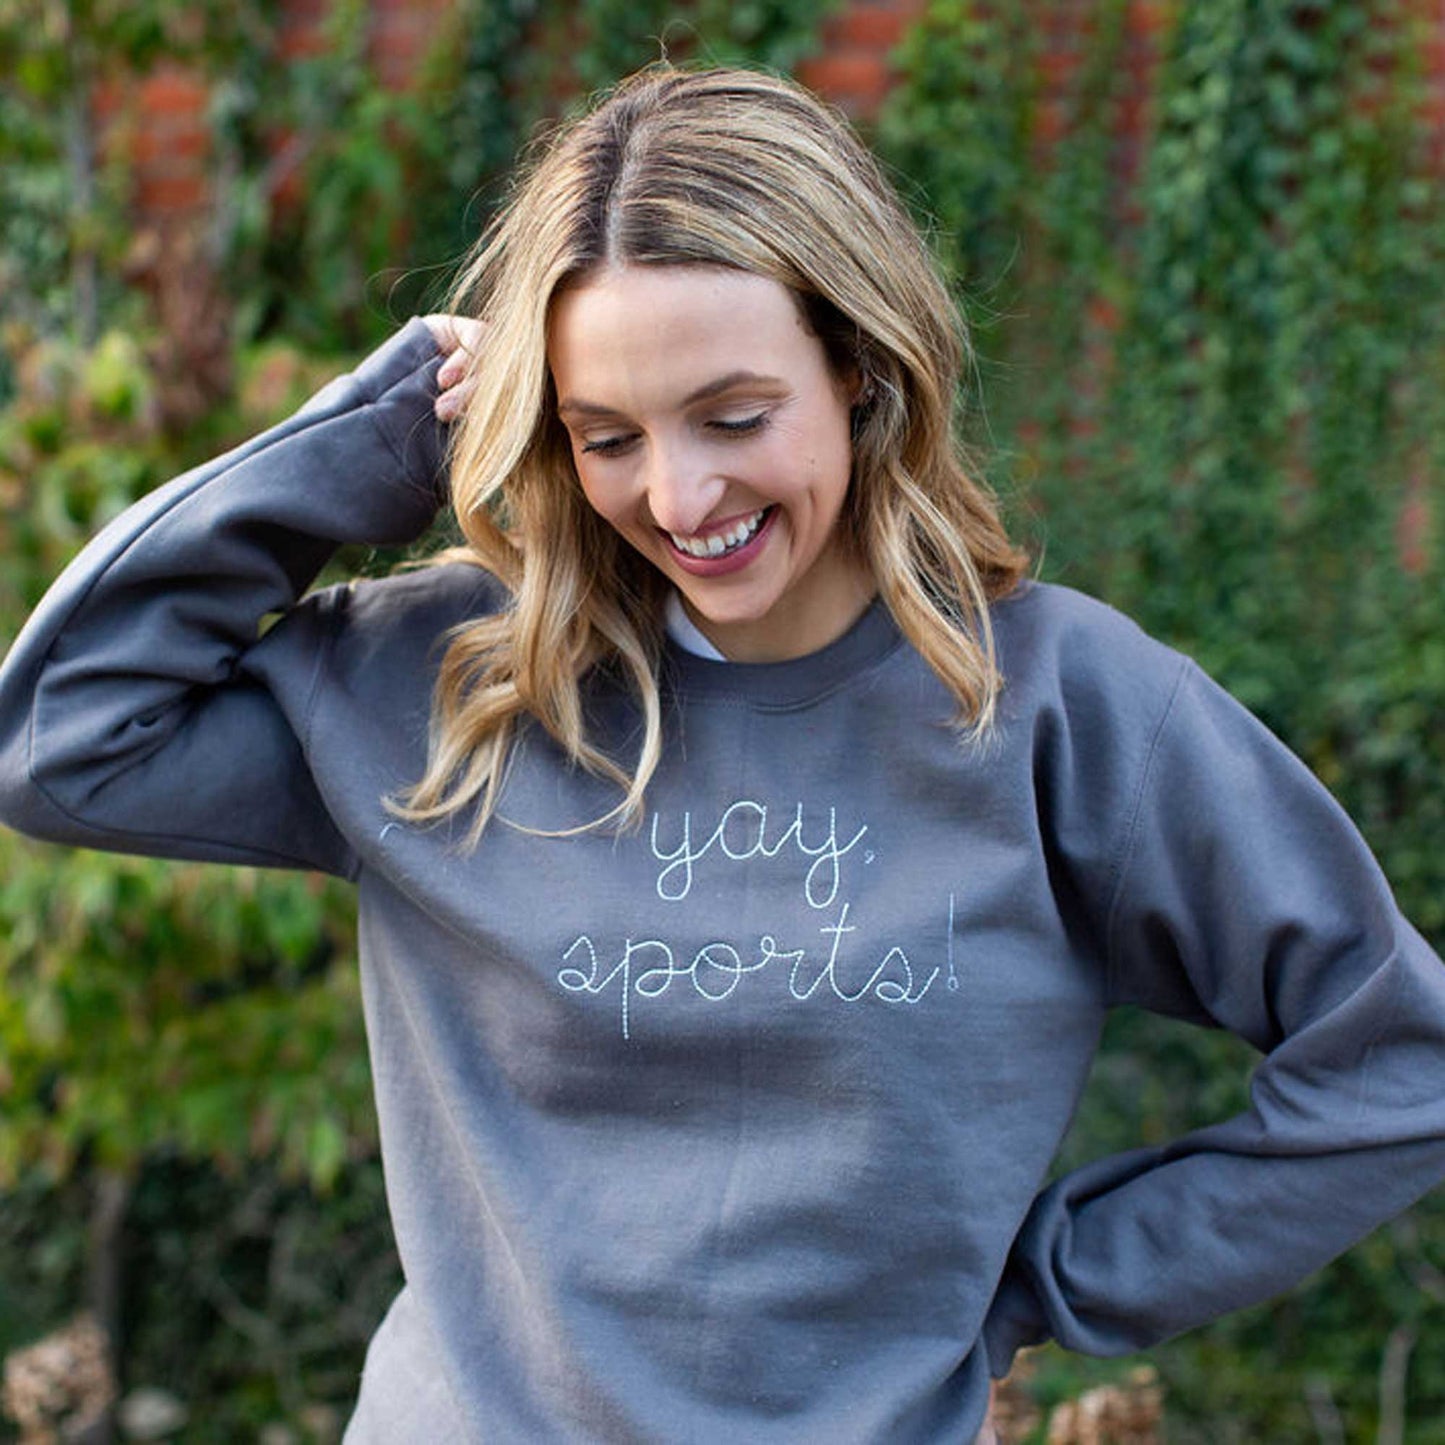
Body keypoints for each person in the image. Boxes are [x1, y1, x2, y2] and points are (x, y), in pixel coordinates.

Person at [1, 63, 1442, 1444]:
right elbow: (58, 737)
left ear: (862, 370)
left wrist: (1046, 1280)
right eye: (604, 433)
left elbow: (1398, 1061)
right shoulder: (449, 682)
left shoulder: (1070, 712)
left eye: (733, 418)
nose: (679, 494)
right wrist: (372, 442)